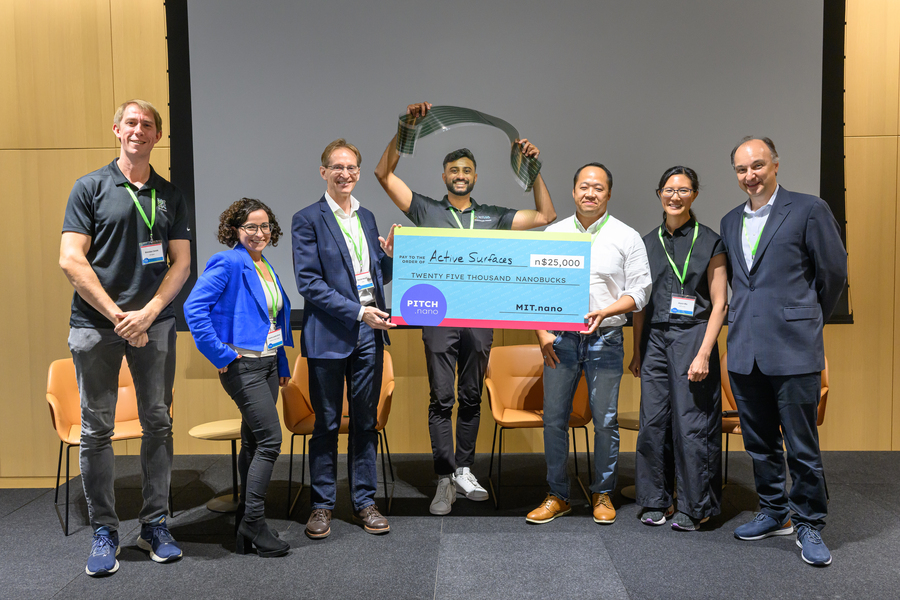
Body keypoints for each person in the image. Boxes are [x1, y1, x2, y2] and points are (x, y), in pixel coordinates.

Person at [374, 101, 557, 515]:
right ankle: (443, 477)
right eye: (453, 170)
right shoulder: (426, 209)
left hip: (479, 316)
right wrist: (406, 131)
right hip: (437, 316)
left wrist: (534, 169)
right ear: (444, 176)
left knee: (471, 397)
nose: (460, 176)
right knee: (442, 398)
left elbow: (547, 215)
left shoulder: (493, 216)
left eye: (467, 171)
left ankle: (464, 470)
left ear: (475, 177)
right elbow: (383, 174)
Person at [59, 99, 191, 576]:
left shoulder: (170, 195)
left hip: (153, 327)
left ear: (158, 136)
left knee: (158, 422)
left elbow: (181, 262)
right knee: (97, 430)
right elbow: (71, 259)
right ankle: (105, 530)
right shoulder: (90, 188)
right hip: (96, 327)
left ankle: (154, 524)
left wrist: (150, 312)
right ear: (116, 129)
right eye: (131, 123)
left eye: (148, 125)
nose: (139, 130)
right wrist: (120, 316)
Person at [721, 137, 847, 566]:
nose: (750, 176)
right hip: (744, 350)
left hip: (794, 349)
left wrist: (807, 318)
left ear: (775, 165)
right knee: (759, 445)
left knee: (801, 446)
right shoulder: (729, 220)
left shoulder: (809, 209)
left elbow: (833, 272)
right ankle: (775, 512)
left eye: (757, 166)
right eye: (741, 170)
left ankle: (809, 521)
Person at [526, 163, 651, 525]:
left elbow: (640, 291)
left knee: (606, 422)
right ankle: (557, 495)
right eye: (584, 186)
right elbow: (533, 290)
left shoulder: (626, 236)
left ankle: (603, 493)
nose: (590, 193)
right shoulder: (554, 232)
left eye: (598, 188)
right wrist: (540, 333)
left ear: (608, 194)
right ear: (573, 191)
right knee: (553, 420)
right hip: (559, 341)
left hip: (607, 338)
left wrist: (604, 311)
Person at [292, 139, 397, 539]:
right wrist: (357, 311)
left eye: (352, 168)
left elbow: (375, 275)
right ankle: (322, 506)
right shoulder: (307, 219)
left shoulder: (368, 217)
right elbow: (309, 283)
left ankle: (365, 502)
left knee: (366, 423)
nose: (345, 174)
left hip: (369, 335)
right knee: (328, 424)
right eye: (337, 167)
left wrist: (391, 255)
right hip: (329, 338)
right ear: (324, 173)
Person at [184, 198, 292, 558]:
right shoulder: (228, 261)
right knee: (270, 441)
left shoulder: (263, 265)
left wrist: (283, 364)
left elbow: (273, 319)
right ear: (235, 230)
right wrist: (221, 354)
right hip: (242, 366)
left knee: (252, 442)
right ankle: (254, 523)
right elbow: (193, 308)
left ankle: (247, 522)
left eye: (264, 227)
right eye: (250, 227)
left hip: (268, 364)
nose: (259, 233)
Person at [628, 166, 727, 531]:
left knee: (692, 423)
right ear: (659, 194)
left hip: (693, 335)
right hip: (655, 337)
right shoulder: (645, 242)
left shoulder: (711, 241)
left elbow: (719, 303)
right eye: (669, 189)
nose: (675, 196)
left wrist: (704, 352)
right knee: (652, 422)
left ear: (694, 196)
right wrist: (637, 351)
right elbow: (640, 303)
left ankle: (693, 504)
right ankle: (656, 499)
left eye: (683, 190)